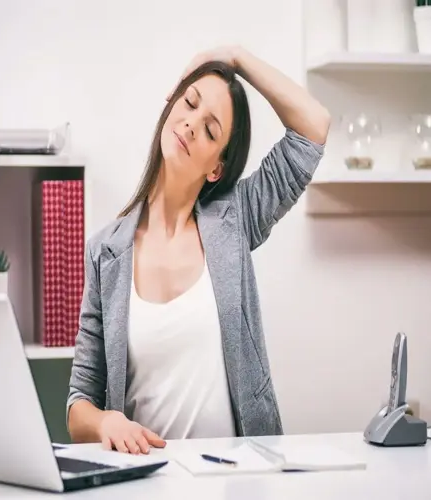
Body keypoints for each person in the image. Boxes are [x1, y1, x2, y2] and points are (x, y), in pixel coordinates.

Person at [67, 45, 330, 455]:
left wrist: (236, 58)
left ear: (216, 168)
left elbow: (314, 126)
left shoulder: (237, 220)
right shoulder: (106, 251)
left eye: (210, 130)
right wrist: (106, 419)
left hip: (239, 478)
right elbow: (78, 405)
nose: (191, 125)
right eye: (189, 104)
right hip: (146, 478)